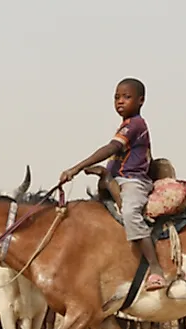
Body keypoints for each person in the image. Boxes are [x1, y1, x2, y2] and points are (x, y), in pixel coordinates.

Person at [59, 77, 166, 291]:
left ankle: (155, 269)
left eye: (126, 97)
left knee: (130, 214)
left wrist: (76, 168)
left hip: (134, 182)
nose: (120, 101)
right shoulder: (124, 125)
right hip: (118, 181)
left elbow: (110, 149)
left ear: (141, 101)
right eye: (117, 97)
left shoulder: (135, 124)